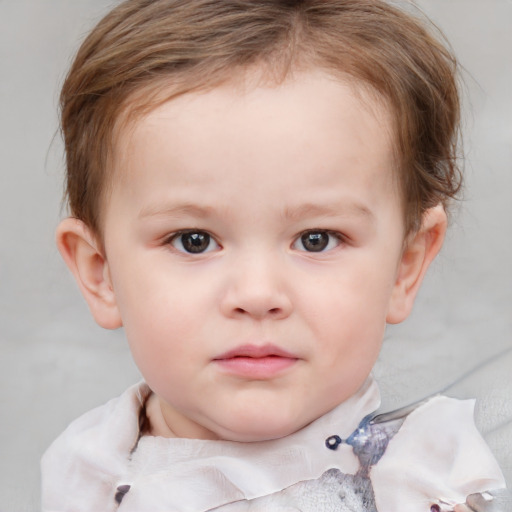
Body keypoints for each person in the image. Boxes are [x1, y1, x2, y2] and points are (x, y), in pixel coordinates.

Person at [41, 0, 507, 510]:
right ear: (100, 272)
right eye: (193, 240)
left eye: (316, 239)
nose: (258, 294)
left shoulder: (422, 480)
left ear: (406, 265)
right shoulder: (85, 474)